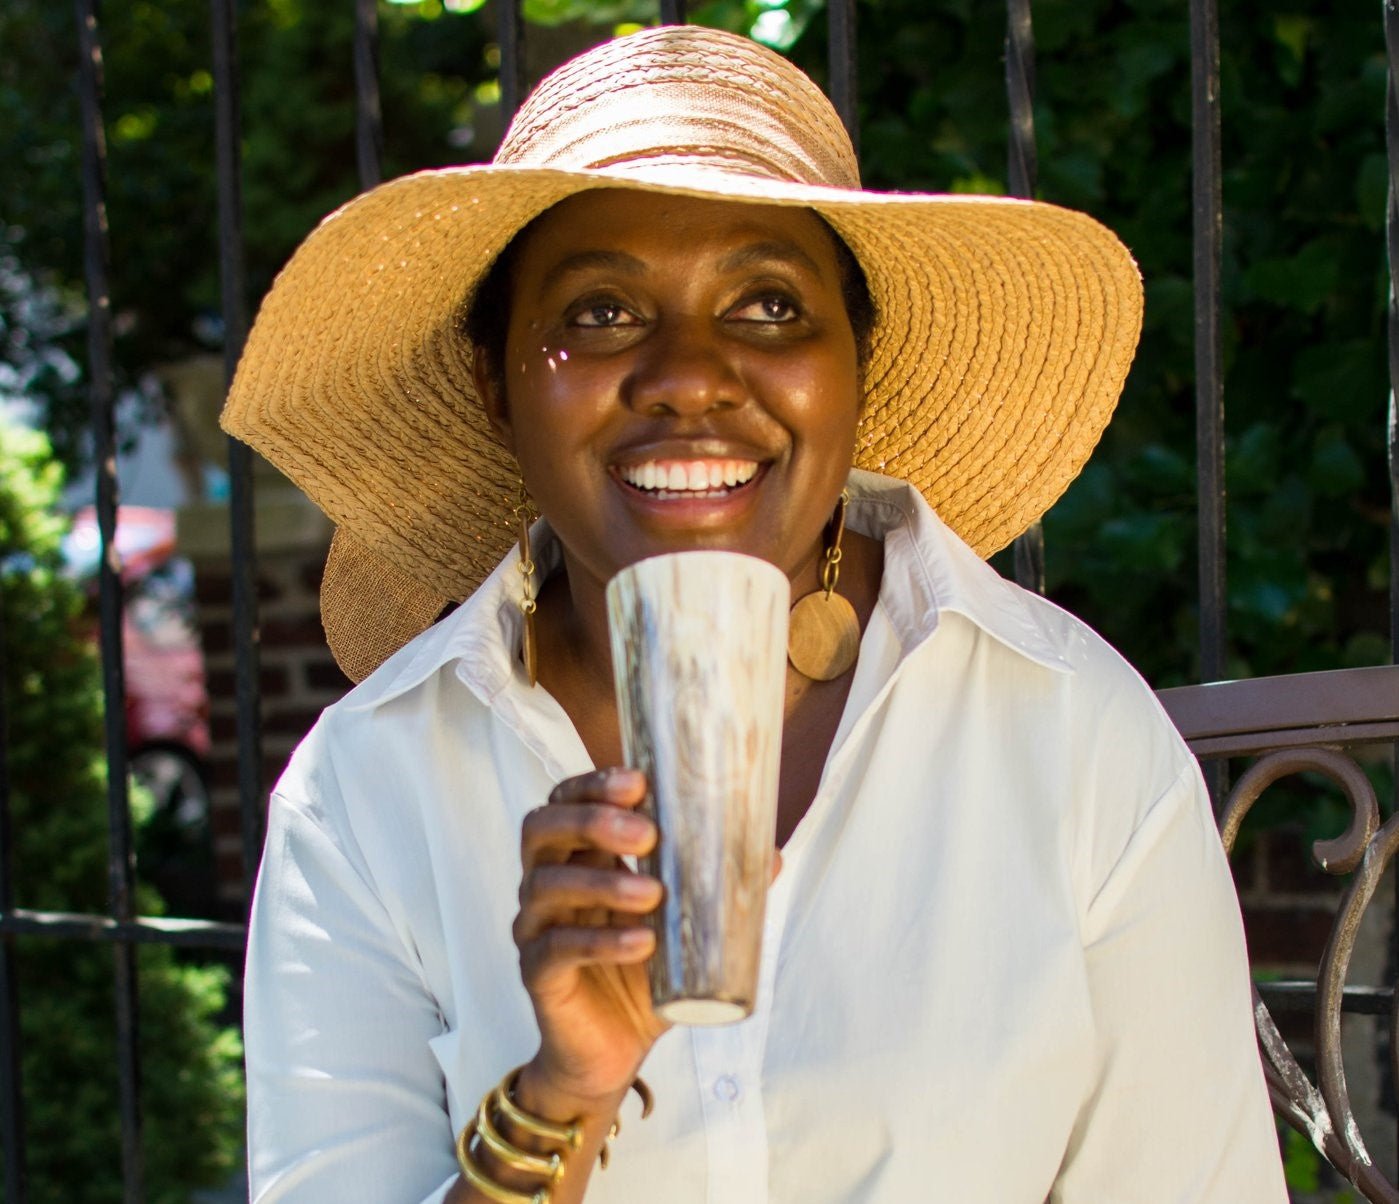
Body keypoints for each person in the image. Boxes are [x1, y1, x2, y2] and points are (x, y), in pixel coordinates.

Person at [223, 25, 1287, 1204]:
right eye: (601, 312)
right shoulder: (367, 792)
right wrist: (559, 1098)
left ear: (857, 365)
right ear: (496, 385)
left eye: (770, 303)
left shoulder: (1069, 731)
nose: (689, 373)